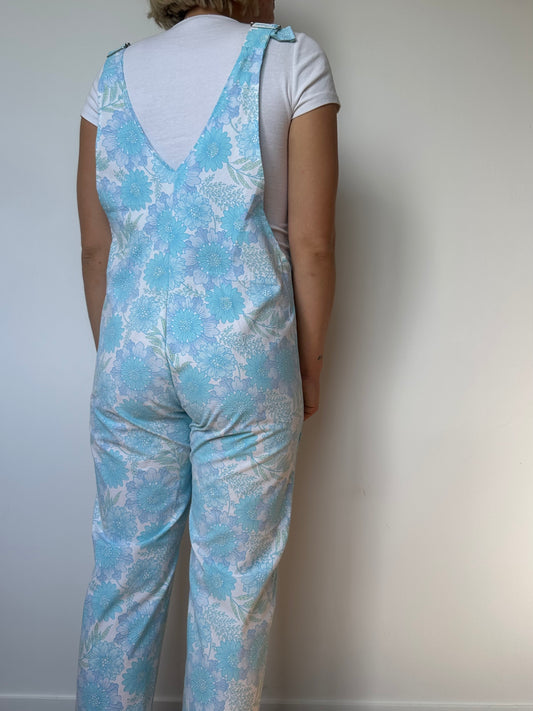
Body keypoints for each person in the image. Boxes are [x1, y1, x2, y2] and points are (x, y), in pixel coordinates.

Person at [75, 0, 340, 708]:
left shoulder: (110, 78)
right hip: (243, 359)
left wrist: (121, 357)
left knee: (122, 578)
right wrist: (309, 368)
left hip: (129, 357)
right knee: (232, 591)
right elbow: (312, 244)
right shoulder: (291, 58)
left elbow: (97, 248)